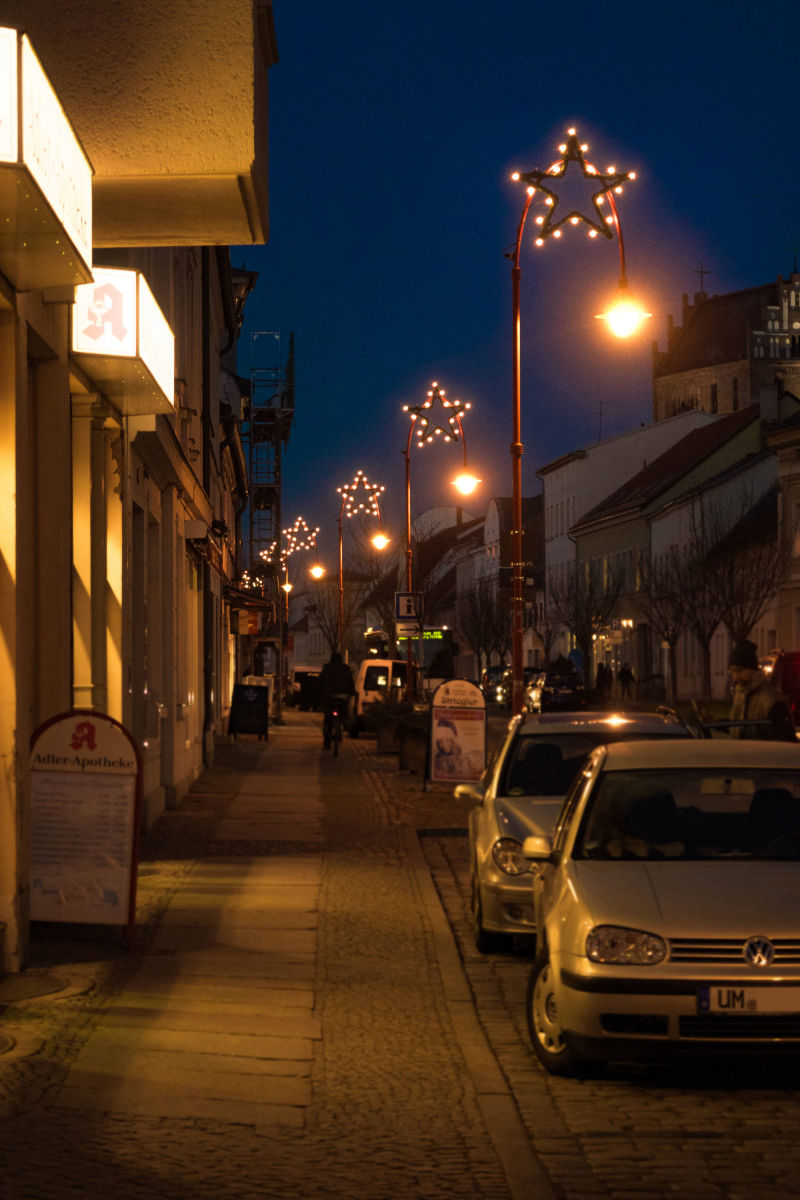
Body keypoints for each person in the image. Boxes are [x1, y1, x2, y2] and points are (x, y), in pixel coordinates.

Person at [728, 640, 795, 741]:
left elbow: (785, 739)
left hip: (763, 756)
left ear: (752, 668)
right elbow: (738, 729)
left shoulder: (771, 700)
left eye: (739, 670)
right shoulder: (740, 694)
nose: (735, 677)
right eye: (732, 671)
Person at [319, 650, 356, 750]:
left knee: (327, 719)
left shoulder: (326, 667)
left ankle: (327, 742)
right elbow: (350, 683)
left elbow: (320, 682)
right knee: (343, 712)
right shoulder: (346, 668)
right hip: (342, 696)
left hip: (329, 696)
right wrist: (352, 692)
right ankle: (342, 723)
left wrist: (320, 695)